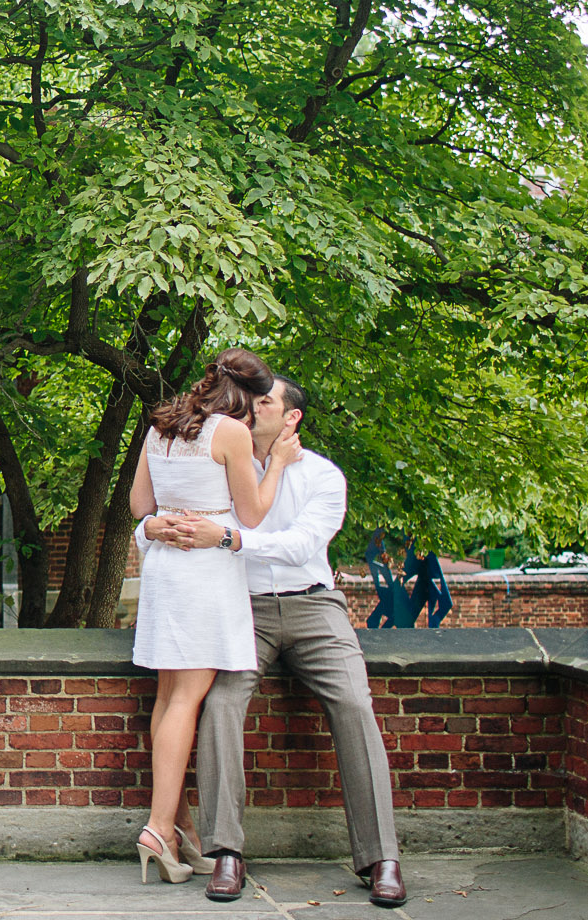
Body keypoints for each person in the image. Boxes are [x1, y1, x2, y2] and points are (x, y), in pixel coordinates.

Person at [144, 375, 406, 909]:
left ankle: (382, 859)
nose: (250, 406)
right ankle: (226, 853)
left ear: (291, 418)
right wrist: (158, 529)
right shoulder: (223, 459)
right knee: (218, 704)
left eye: (265, 401)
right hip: (247, 610)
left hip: (315, 607)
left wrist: (230, 538)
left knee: (355, 704)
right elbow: (168, 510)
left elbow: (301, 544)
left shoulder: (322, 476)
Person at [127, 347, 302, 885]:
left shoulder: (160, 424)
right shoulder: (230, 433)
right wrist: (275, 465)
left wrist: (161, 526)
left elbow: (140, 504)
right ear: (248, 397)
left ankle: (178, 827)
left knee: (166, 699)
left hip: (165, 570)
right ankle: (158, 827)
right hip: (204, 571)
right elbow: (251, 515)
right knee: (187, 701)